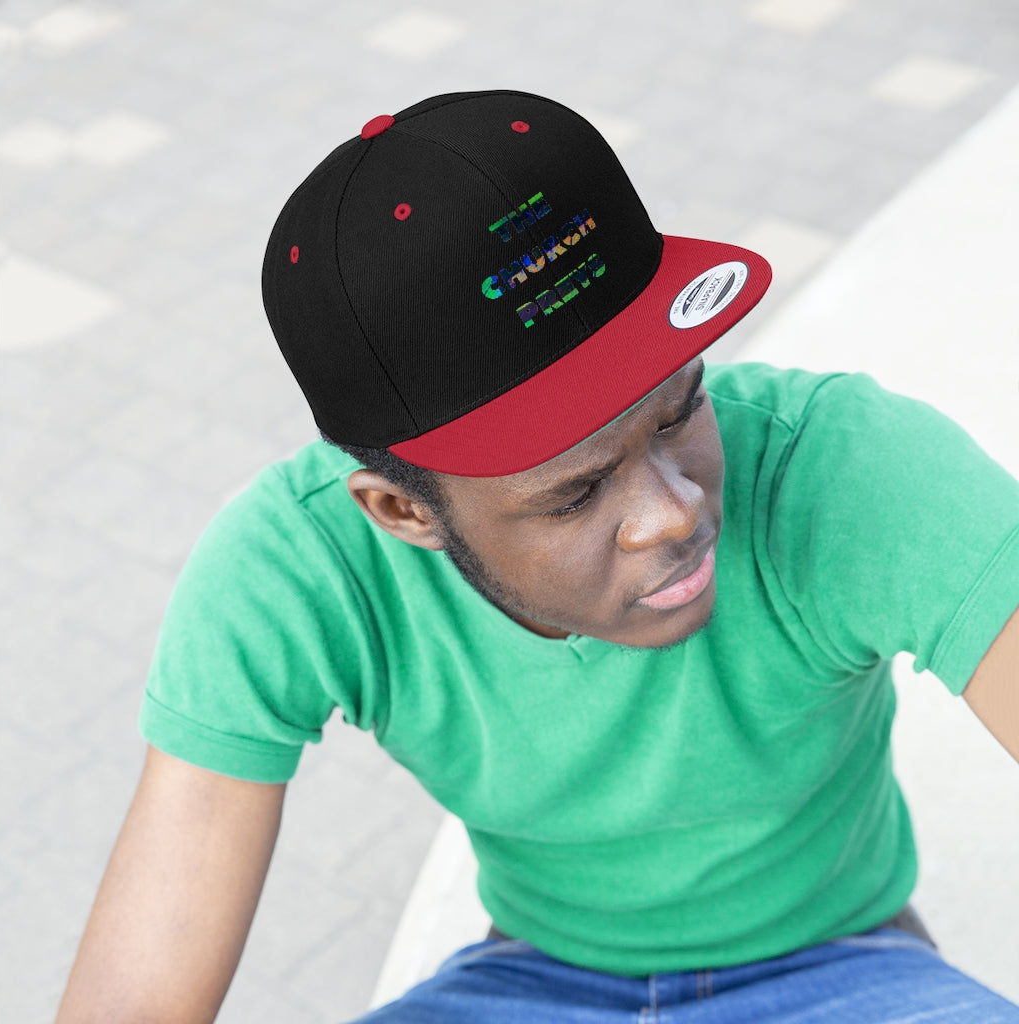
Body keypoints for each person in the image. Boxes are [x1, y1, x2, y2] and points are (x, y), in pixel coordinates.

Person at [56, 90, 1019, 1024]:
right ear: (402, 511)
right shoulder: (299, 570)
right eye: (576, 492)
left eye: (678, 409)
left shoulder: (844, 466)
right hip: (533, 982)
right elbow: (137, 1002)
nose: (673, 513)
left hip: (846, 962)